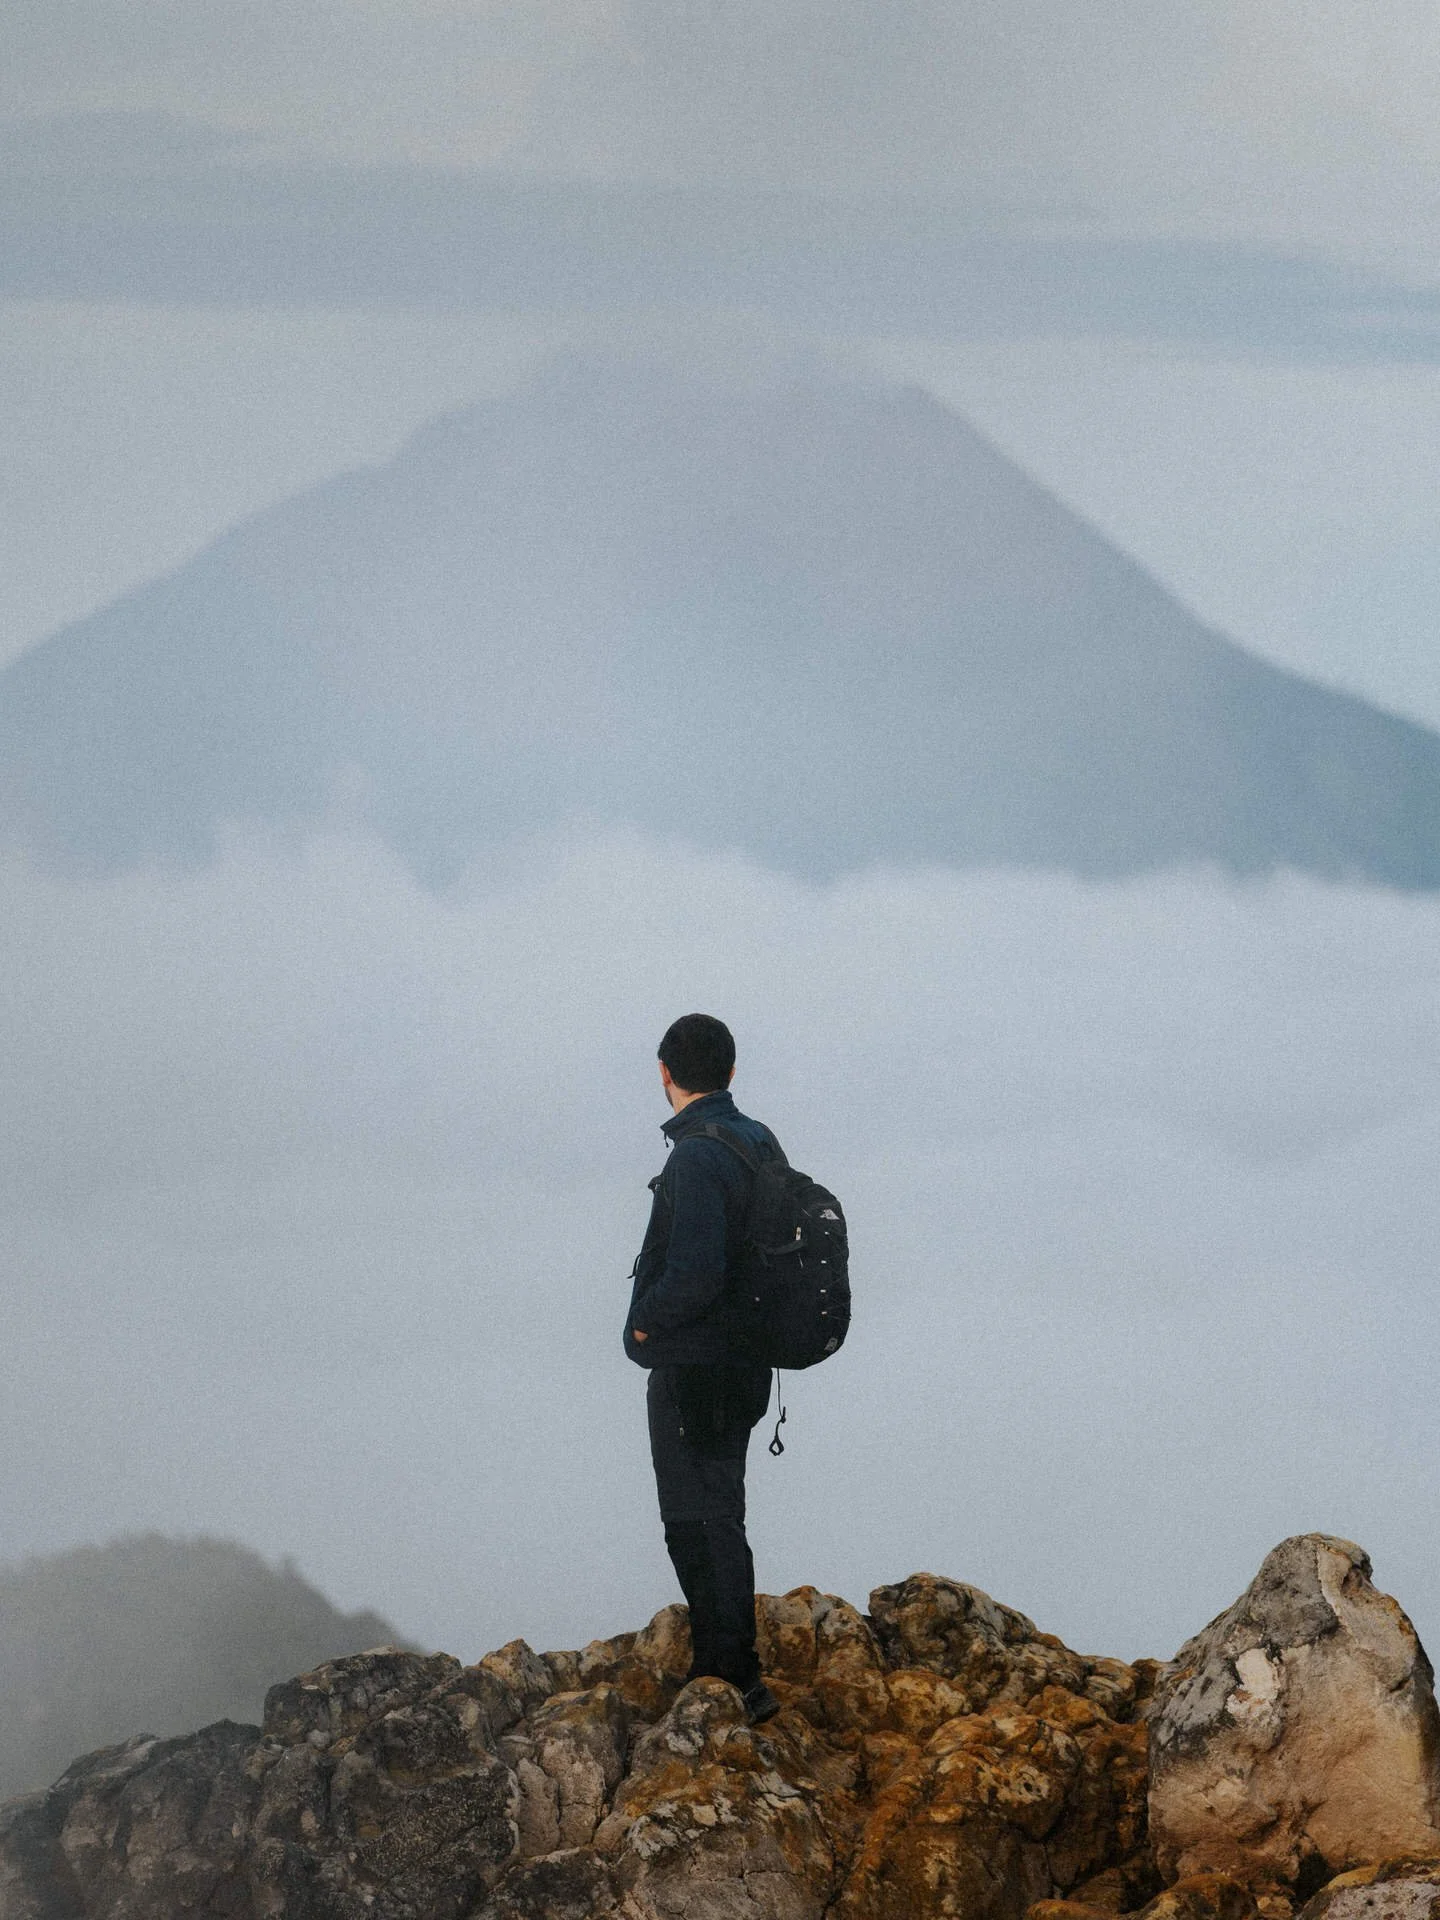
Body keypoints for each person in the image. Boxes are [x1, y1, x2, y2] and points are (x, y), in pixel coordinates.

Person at [624, 1013, 781, 1725]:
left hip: (696, 1368)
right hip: (748, 1364)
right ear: (730, 1073)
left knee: (695, 1520)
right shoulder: (757, 1141)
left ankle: (731, 1676)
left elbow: (694, 1273)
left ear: (665, 1073)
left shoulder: (693, 1157)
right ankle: (725, 1665)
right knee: (722, 1512)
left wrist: (643, 1323)